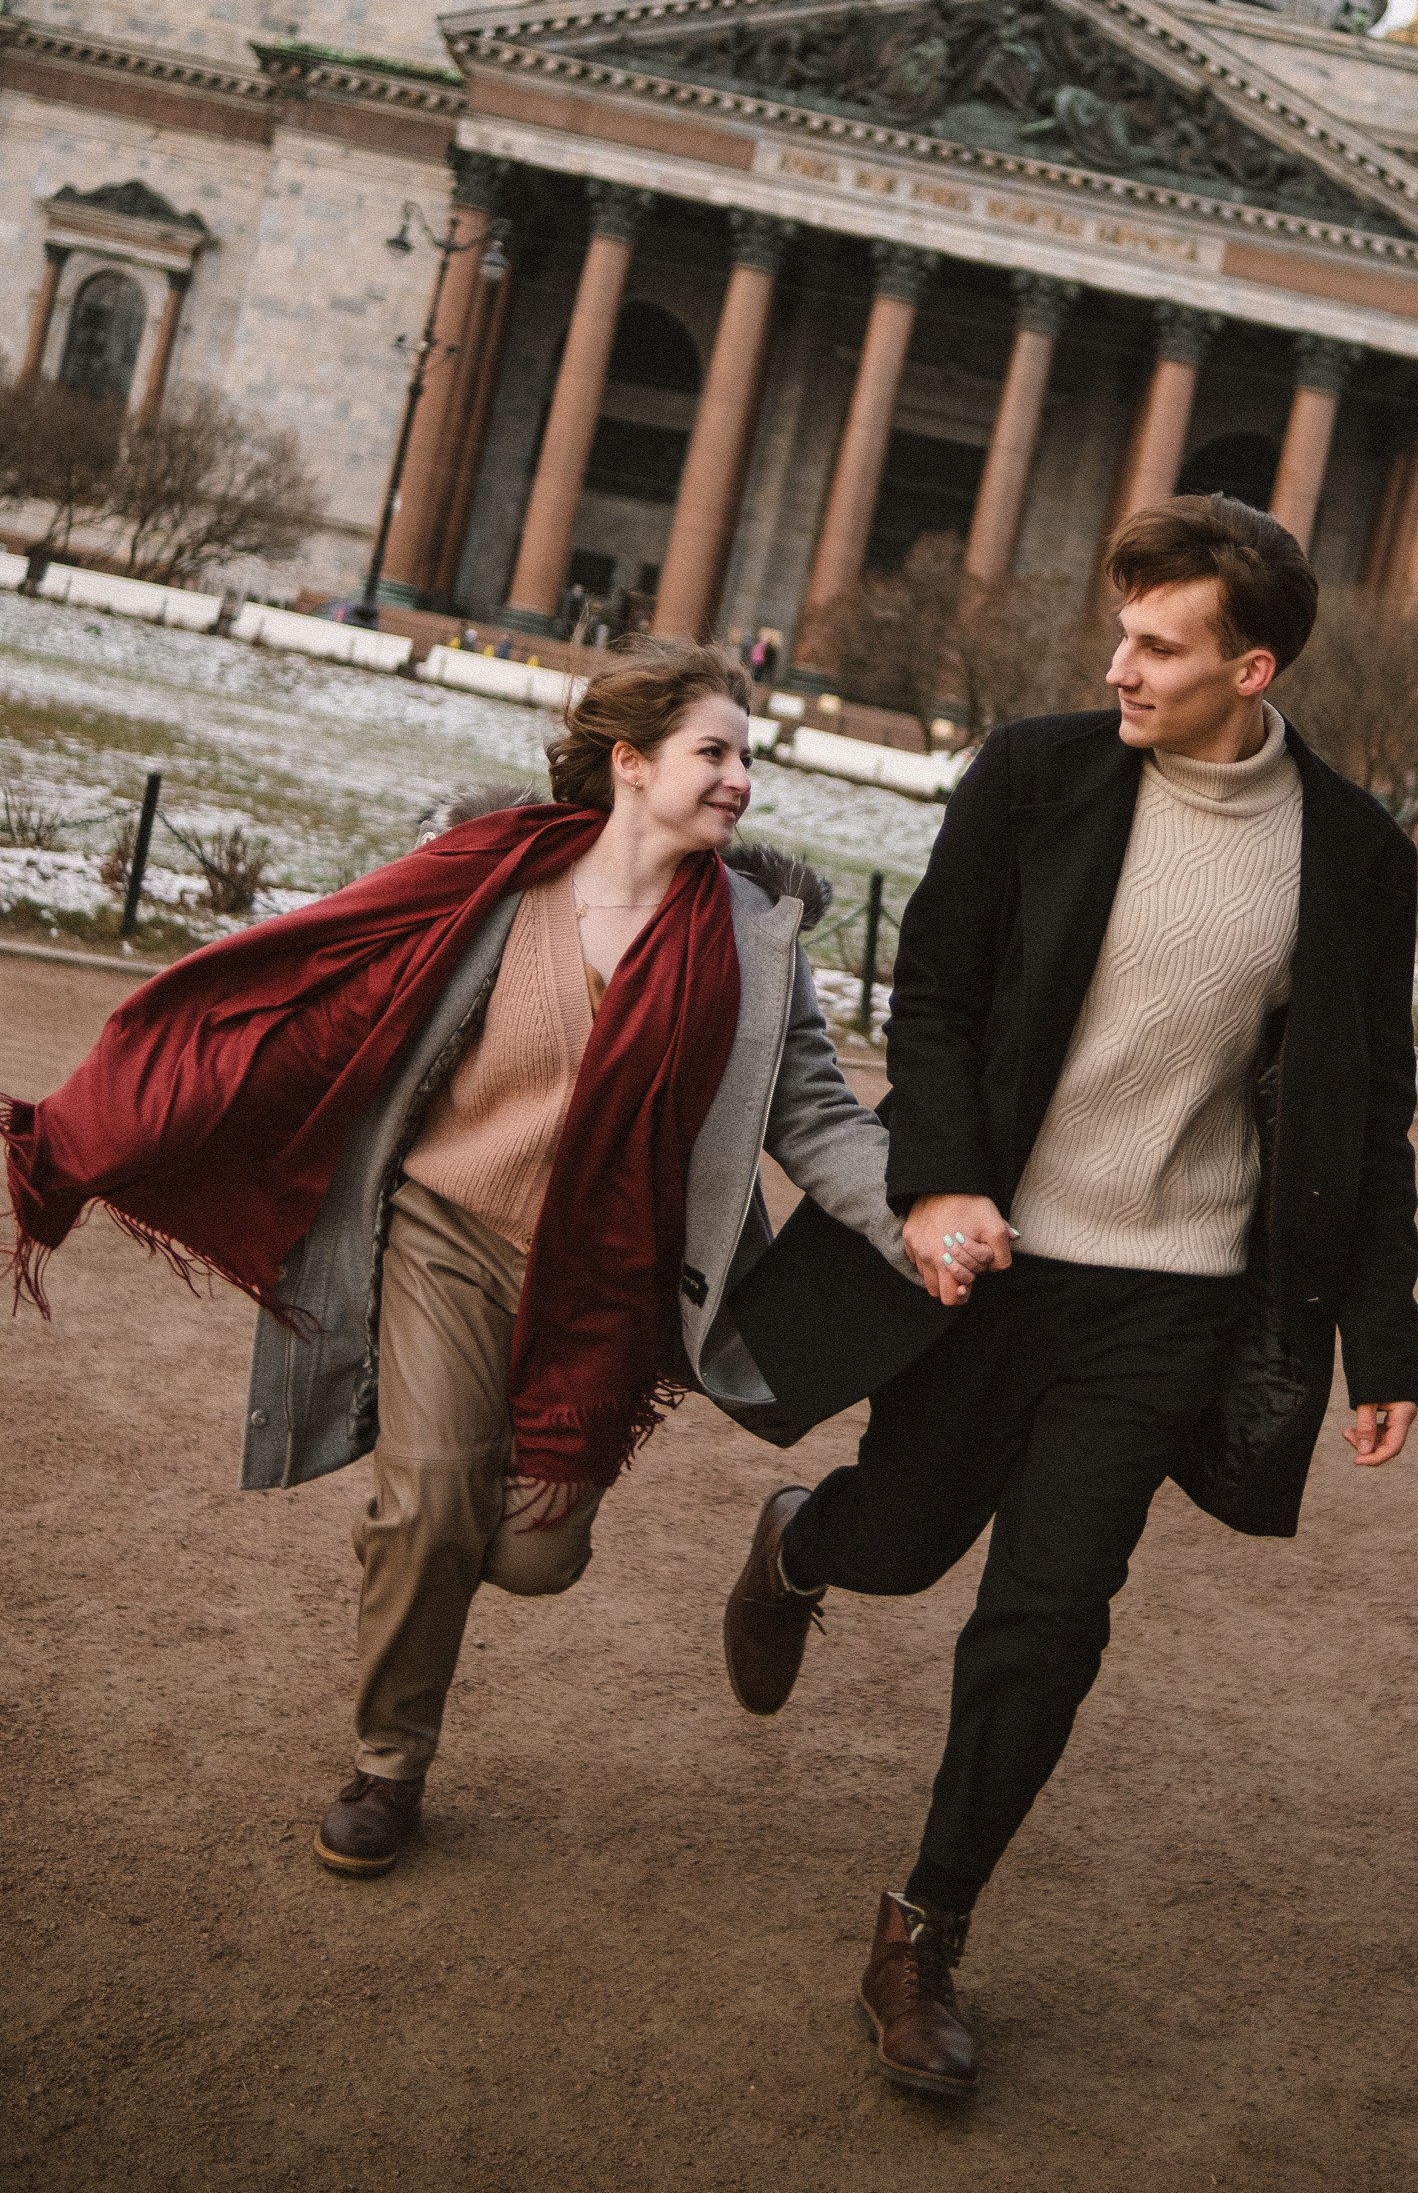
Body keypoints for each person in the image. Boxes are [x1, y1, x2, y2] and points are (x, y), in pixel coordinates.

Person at [720, 493, 1418, 2099]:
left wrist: (1382, 1334)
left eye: (1158, 645)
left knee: (1048, 1616)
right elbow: (942, 995)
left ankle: (923, 1934)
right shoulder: (1039, 774)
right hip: (998, 1261)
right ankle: (800, 1541)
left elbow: (1360, 1108)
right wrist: (941, 1181)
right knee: (899, 1550)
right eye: (1120, 631)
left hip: (1172, 1299)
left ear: (1252, 668)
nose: (1120, 665)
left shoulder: (1354, 851)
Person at [5, 637, 909, 1875]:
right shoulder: (498, 883)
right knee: (432, 1502)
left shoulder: (756, 944)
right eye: (716, 752)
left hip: (607, 1284)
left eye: (748, 757)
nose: (741, 779)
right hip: (447, 1233)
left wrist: (916, 1226)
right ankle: (389, 1766)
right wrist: (98, 1124)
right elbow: (309, 990)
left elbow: (813, 1115)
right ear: (632, 764)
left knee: (535, 1557)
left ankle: (413, 1534)